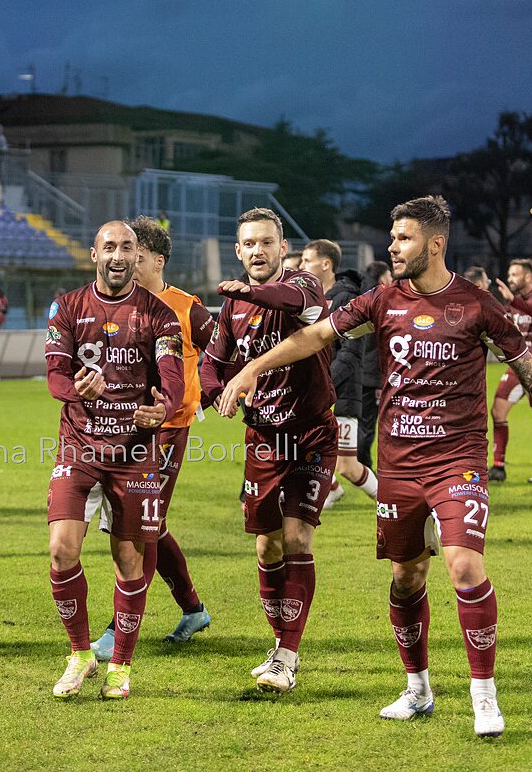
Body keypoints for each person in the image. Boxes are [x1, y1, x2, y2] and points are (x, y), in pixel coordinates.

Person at [217, 196, 532, 737]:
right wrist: (250, 371)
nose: (392, 247)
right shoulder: (382, 299)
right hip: (398, 465)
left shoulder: (476, 305)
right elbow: (315, 336)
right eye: (392, 238)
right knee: (407, 577)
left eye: (402, 238)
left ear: (435, 243)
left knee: (464, 567)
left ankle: (484, 696)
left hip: (458, 461)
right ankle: (418, 687)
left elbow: (531, 368)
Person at [199, 209, 338, 695]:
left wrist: (249, 290)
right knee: (266, 544)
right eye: (248, 244)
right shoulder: (232, 311)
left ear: (283, 249)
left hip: (313, 436)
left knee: (298, 539)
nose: (257, 251)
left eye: (266, 242)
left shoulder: (303, 288)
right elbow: (211, 366)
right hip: (263, 440)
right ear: (238, 251)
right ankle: (281, 646)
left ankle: (286, 655)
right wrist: (223, 391)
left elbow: (282, 295)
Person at [44, 220, 184, 700]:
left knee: (128, 559)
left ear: (137, 255)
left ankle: (120, 664)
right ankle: (80, 653)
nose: (119, 255)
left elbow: (172, 378)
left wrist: (162, 406)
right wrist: (75, 389)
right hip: (79, 446)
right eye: (110, 247)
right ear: (94, 254)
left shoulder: (159, 315)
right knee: (62, 549)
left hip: (135, 450)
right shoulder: (67, 306)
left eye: (128, 247)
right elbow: (55, 376)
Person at [88, 216, 215, 662]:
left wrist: (214, 392)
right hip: (118, 431)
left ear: (157, 260)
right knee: (150, 525)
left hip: (167, 430)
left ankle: (116, 628)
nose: (125, 263)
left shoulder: (185, 307)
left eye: (135, 256)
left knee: (138, 526)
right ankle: (193, 608)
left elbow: (224, 349)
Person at [300, 239, 378, 507]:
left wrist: (325, 382)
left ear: (326, 264)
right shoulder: (310, 299)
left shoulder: (345, 298)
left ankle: (393, 503)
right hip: (318, 392)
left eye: (307, 261)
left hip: (342, 393)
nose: (302, 266)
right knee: (301, 447)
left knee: (348, 466)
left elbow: (351, 352)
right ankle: (328, 489)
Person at [490, 259, 532, 484]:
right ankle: (498, 467)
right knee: (498, 411)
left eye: (514, 274)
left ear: (527, 277)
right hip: (516, 367)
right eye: (509, 274)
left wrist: (513, 300)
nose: (510, 279)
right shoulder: (513, 304)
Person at [357, 260, 392, 470]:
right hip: (374, 376)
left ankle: (361, 463)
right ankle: (364, 466)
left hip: (358, 373)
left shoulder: (361, 300)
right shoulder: (384, 303)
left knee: (360, 423)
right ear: (382, 279)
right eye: (389, 276)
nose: (393, 280)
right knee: (369, 426)